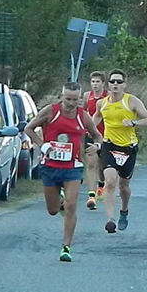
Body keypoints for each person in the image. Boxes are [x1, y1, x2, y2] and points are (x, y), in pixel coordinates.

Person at [24, 82, 102, 262]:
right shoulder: (50, 111)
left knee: (71, 206)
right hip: (50, 166)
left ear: (80, 99)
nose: (71, 103)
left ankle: (66, 247)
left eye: (75, 100)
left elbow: (98, 136)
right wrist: (42, 145)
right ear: (61, 96)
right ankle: (59, 201)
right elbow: (28, 128)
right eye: (68, 99)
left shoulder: (83, 116)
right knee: (52, 210)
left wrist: (96, 146)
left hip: (72, 168)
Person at [92, 69, 147, 233]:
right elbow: (96, 117)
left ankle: (124, 211)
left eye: (119, 82)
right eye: (112, 81)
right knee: (110, 181)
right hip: (109, 146)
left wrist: (133, 123)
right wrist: (92, 132)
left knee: (124, 186)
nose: (115, 85)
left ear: (125, 85)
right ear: (108, 84)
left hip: (128, 148)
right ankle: (110, 219)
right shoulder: (102, 103)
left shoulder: (131, 101)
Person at [82, 71, 108, 211]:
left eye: (98, 82)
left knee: (103, 167)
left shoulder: (108, 97)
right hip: (91, 134)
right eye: (93, 82)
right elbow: (84, 113)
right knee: (91, 164)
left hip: (106, 135)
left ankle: (101, 186)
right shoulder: (87, 96)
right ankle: (91, 196)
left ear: (103, 83)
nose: (95, 84)